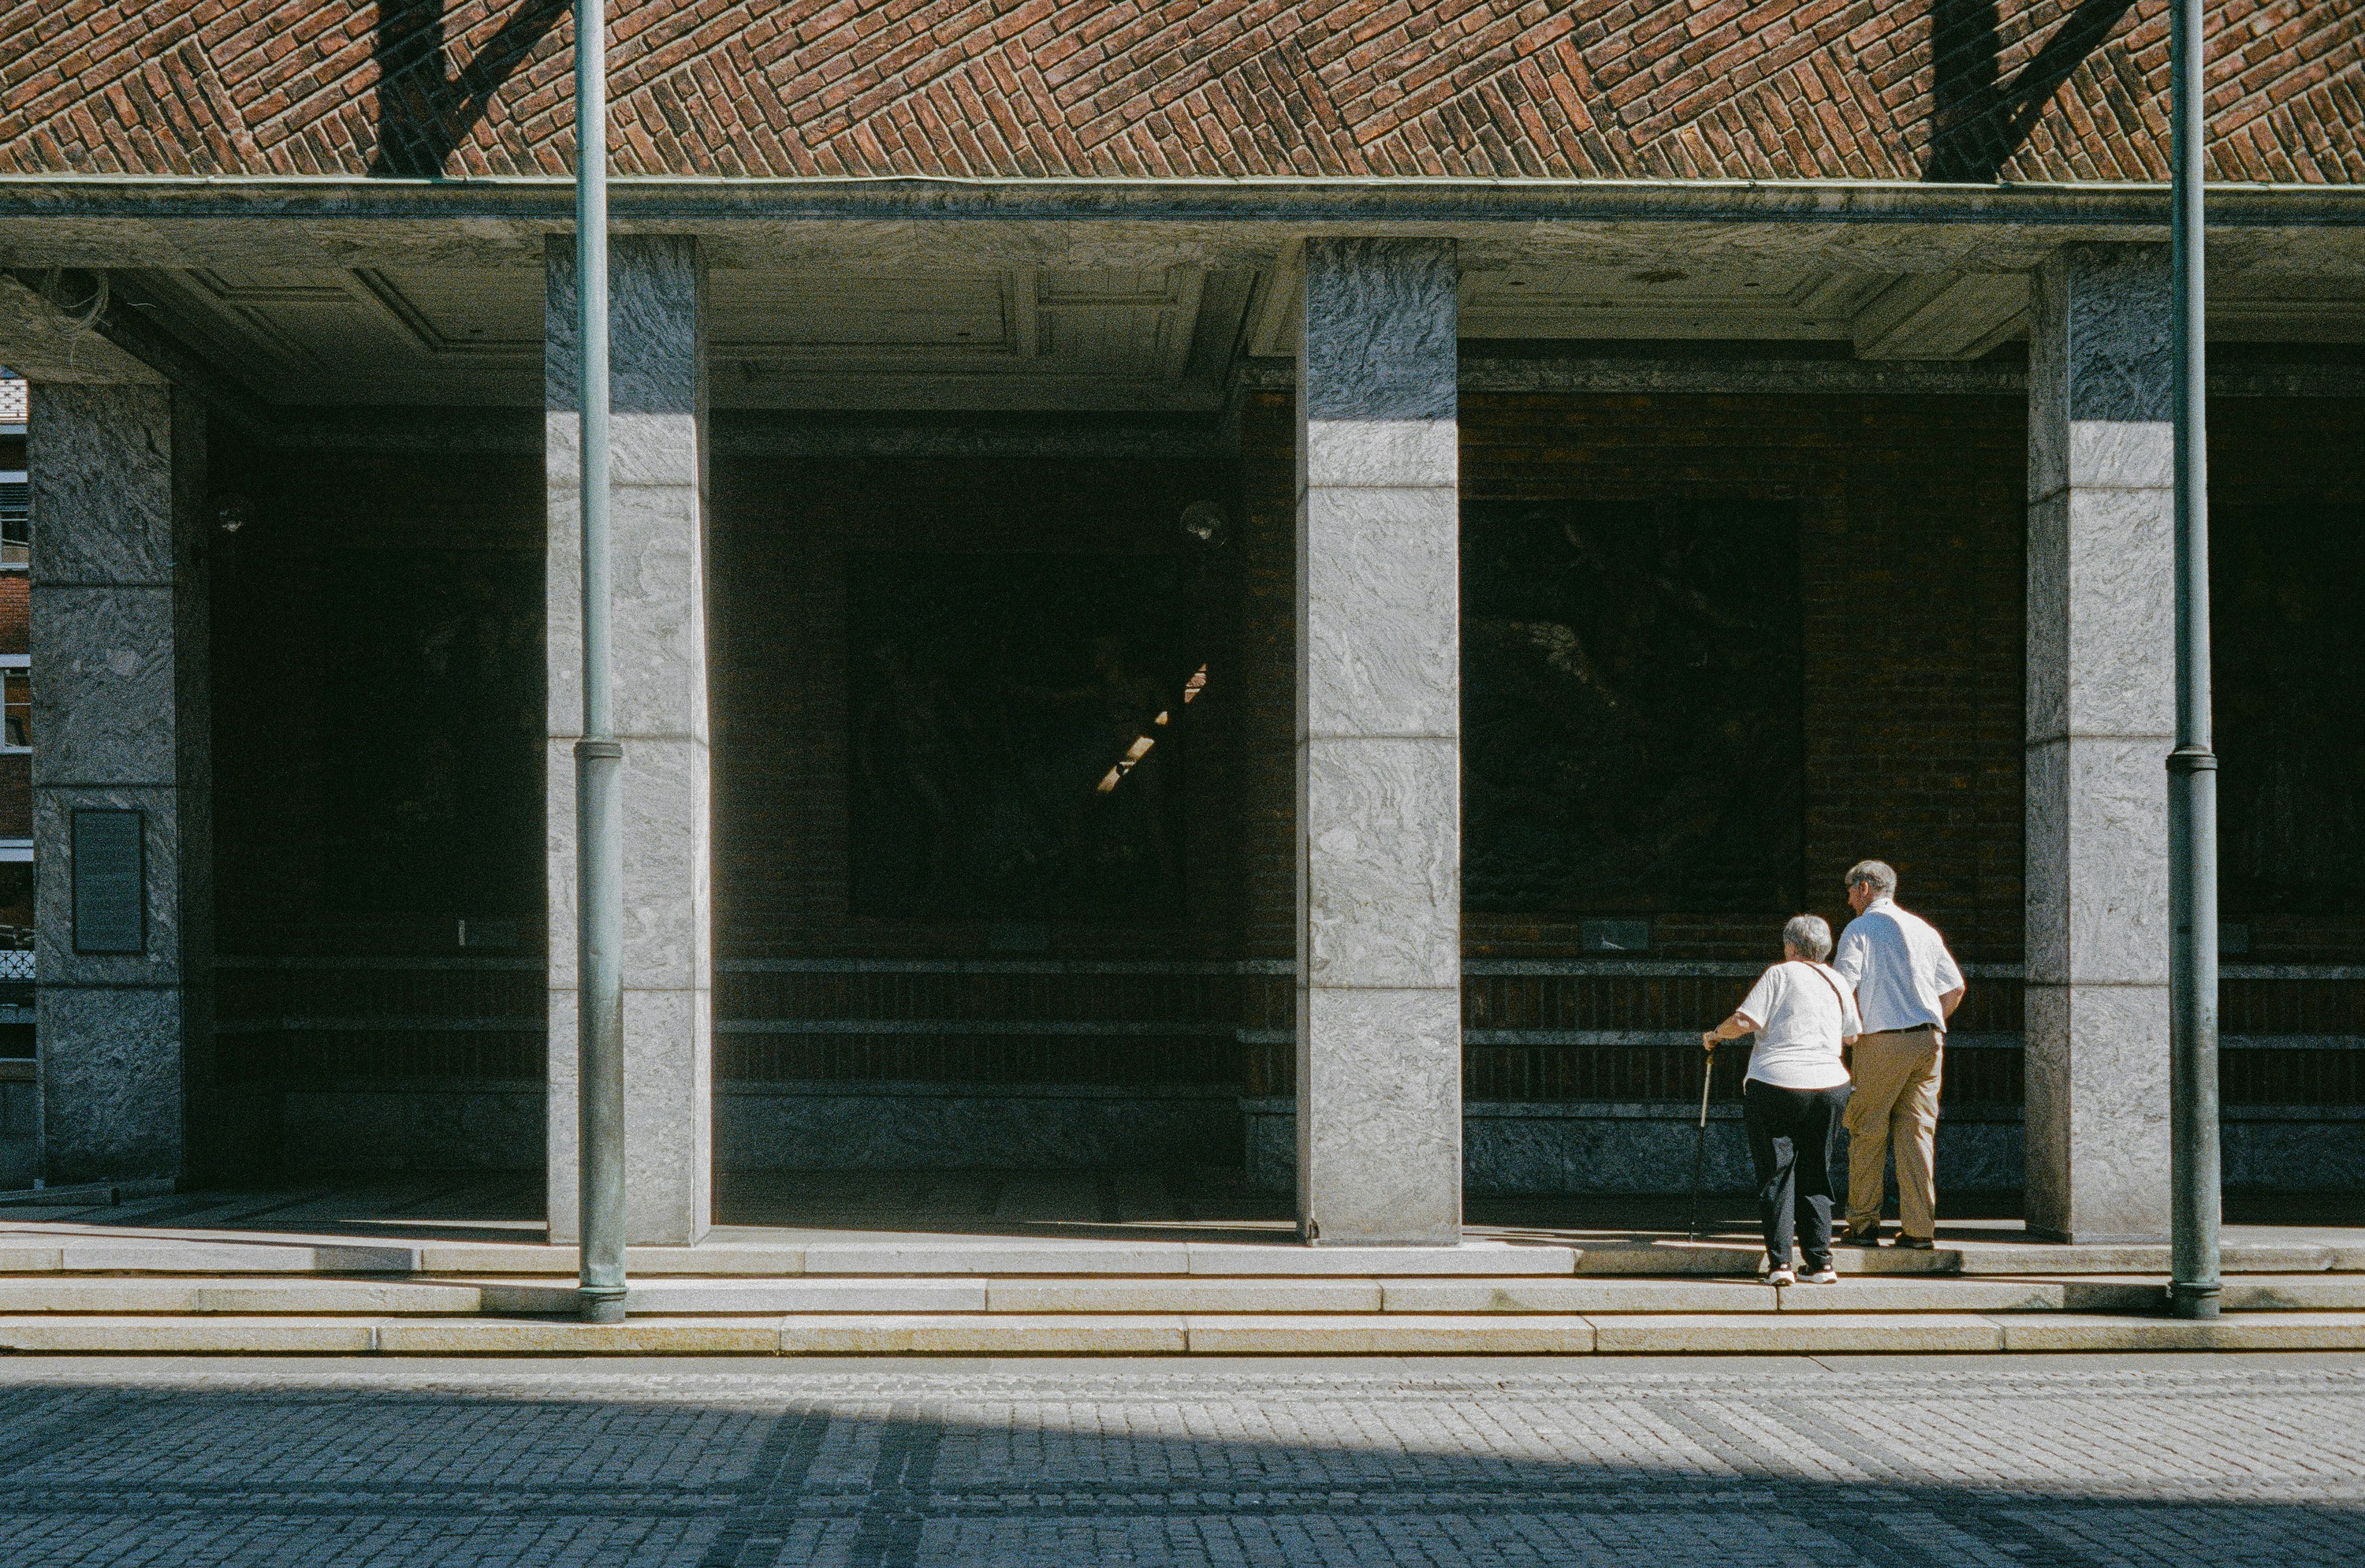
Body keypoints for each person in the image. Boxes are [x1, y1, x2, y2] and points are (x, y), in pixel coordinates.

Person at [1702, 914, 1861, 1287]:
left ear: (1791, 946)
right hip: (1830, 1084)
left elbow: (1744, 1021)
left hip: (1776, 1083)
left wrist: (1714, 1036)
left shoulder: (1780, 973)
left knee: (1777, 1172)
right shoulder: (1837, 981)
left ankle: (1781, 1265)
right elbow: (1852, 1037)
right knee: (1817, 1172)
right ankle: (1821, 1262)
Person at [1830, 859, 1965, 1250]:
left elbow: (1843, 987)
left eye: (1851, 890)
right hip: (1929, 1039)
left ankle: (1862, 1224)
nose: (1849, 899)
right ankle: (1920, 1229)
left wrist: (1845, 1036)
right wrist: (1930, 1019)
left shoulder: (1860, 929)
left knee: (1867, 1129)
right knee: (1918, 1133)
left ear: (1866, 888)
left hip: (1883, 1038)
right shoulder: (1924, 929)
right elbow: (1954, 988)